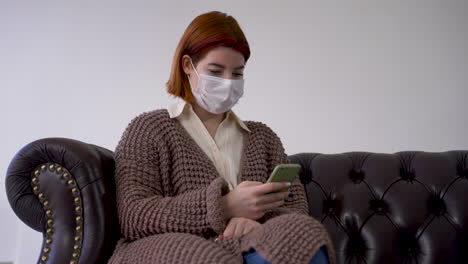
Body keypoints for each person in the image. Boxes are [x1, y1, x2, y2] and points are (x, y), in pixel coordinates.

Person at [109, 11, 334, 264]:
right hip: (176, 251)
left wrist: (251, 219)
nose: (228, 82)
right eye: (216, 72)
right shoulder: (149, 129)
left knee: (306, 233)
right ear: (187, 67)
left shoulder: (264, 138)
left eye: (237, 74)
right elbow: (134, 215)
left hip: (253, 244)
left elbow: (295, 209)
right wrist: (225, 207)